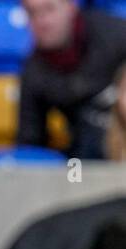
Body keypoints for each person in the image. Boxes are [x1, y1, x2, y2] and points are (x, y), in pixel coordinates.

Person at [18, 0, 126, 160]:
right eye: (32, 13)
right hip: (85, 159)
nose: (42, 21)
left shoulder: (117, 36)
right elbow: (31, 146)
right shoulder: (34, 71)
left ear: (71, 7)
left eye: (49, 9)